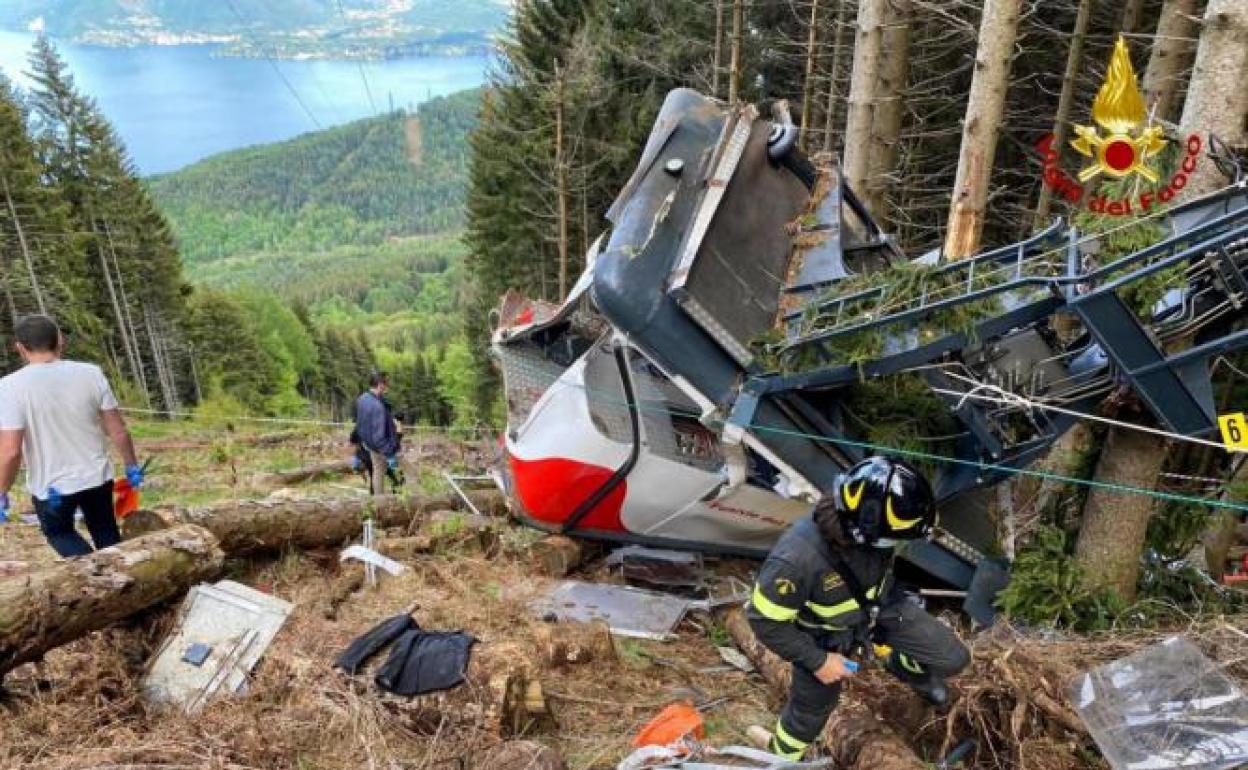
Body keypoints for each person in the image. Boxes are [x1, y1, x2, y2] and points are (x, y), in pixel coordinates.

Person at [746, 456, 970, 760]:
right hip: (823, 637)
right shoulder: (795, 562)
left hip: (879, 608)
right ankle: (781, 757)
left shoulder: (872, 526)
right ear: (863, 530)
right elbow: (764, 621)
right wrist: (818, 661)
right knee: (808, 717)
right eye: (891, 540)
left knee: (952, 658)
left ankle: (902, 664)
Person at [0, 315, 144, 556]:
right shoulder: (91, 373)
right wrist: (131, 466)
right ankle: (122, 576)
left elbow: (11, 451)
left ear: (20, 348)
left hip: (52, 487)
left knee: (60, 533)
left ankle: (98, 578)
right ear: (60, 341)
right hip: (96, 476)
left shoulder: (9, 387)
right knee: (105, 529)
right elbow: (118, 430)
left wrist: (2, 491)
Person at [353, 371, 401, 496]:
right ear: (380, 385)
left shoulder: (362, 399)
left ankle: (378, 503)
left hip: (370, 446)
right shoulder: (377, 406)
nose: (388, 386)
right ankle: (411, 500)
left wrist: (358, 447)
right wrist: (390, 454)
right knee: (410, 472)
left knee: (378, 472)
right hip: (382, 447)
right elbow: (379, 435)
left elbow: (359, 425)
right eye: (387, 383)